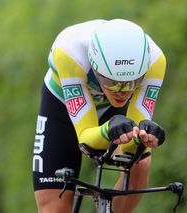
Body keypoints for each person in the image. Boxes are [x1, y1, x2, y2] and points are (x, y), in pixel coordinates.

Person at [32, 19, 166, 213]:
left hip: (113, 113)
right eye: (112, 82)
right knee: (54, 208)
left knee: (140, 163)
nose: (122, 92)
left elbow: (129, 149)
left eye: (131, 83)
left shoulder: (155, 61)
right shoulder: (70, 53)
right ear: (94, 67)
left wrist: (143, 137)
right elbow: (87, 139)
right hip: (61, 105)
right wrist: (108, 130)